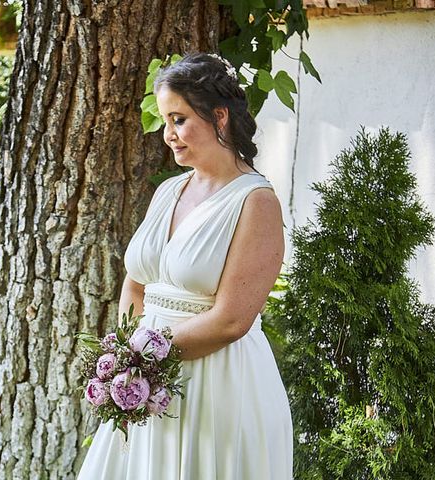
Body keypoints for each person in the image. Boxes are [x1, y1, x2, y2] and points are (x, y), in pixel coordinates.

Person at [77, 52, 293, 480]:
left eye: (179, 120)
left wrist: (141, 360)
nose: (169, 135)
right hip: (147, 385)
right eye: (165, 122)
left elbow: (232, 320)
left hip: (219, 384)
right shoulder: (169, 191)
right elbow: (136, 286)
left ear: (219, 116)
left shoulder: (255, 202)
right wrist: (129, 367)